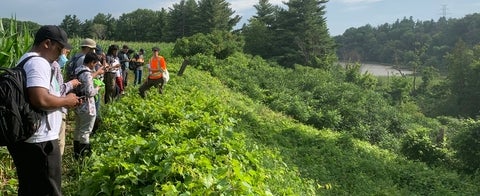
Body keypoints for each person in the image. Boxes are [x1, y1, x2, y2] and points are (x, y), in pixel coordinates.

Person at [6, 25, 80, 196]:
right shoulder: (39, 62)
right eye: (60, 48)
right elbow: (40, 98)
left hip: (29, 139)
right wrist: (67, 101)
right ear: (47, 43)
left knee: (30, 188)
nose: (61, 53)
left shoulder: (25, 60)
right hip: (41, 141)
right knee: (49, 190)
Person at [73, 52, 104, 160]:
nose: (94, 66)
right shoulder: (87, 73)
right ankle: (84, 156)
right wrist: (98, 88)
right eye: (94, 64)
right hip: (87, 106)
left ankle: (76, 154)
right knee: (85, 132)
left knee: (78, 129)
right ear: (91, 62)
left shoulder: (78, 70)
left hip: (78, 104)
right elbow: (90, 92)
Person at [52, 60, 81, 156]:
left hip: (56, 109)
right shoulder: (54, 65)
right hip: (57, 110)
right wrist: (70, 84)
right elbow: (57, 92)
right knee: (59, 142)